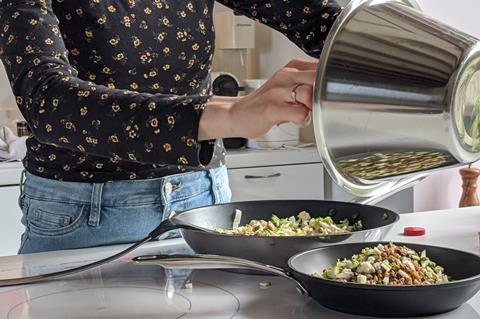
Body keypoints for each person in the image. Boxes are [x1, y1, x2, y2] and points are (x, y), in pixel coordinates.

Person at [0, 0, 342, 254]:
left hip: (202, 200)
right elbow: (48, 100)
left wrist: (380, 53)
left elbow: (315, 19)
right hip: (84, 213)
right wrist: (231, 113)